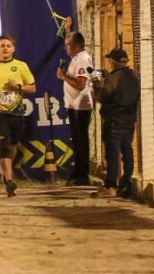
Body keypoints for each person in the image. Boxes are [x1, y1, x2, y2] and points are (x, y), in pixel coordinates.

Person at [0, 36, 36, 198]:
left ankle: (6, 169)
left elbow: (33, 88)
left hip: (16, 111)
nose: (5, 48)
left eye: (8, 46)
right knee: (4, 143)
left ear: (13, 49)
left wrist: (18, 87)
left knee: (13, 144)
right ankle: (9, 180)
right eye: (2, 46)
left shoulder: (21, 66)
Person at [92, 49, 139, 198]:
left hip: (114, 121)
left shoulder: (114, 78)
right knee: (127, 152)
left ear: (113, 62)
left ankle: (110, 186)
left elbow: (103, 97)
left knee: (112, 154)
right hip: (129, 121)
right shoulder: (134, 76)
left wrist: (97, 84)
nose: (109, 63)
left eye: (110, 61)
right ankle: (125, 184)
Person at [57, 23, 94, 186]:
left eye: (68, 45)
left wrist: (63, 76)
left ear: (76, 46)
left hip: (80, 107)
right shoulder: (78, 58)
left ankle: (82, 175)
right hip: (75, 106)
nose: (66, 47)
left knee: (80, 141)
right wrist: (67, 30)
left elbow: (80, 84)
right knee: (78, 140)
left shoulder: (82, 60)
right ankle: (78, 172)